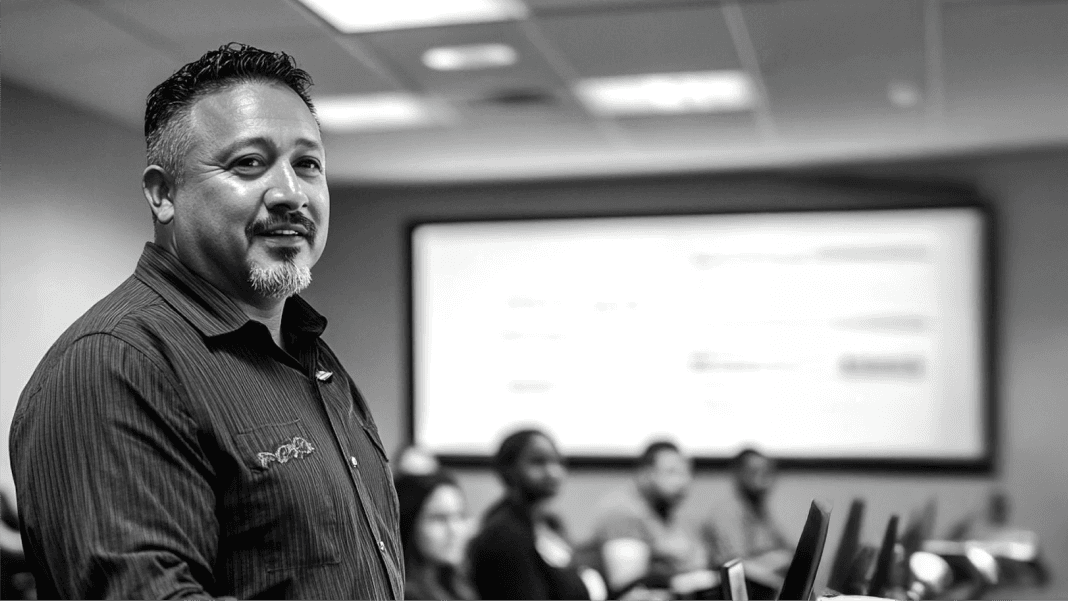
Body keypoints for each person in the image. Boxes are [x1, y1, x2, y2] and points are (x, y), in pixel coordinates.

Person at [8, 43, 402, 599]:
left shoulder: (307, 353)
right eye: (249, 163)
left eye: (307, 164)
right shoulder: (116, 363)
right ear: (163, 193)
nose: (291, 193)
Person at [467, 428, 596, 600]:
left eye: (557, 461)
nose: (552, 471)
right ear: (507, 469)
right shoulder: (503, 533)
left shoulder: (551, 523)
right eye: (538, 462)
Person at [589, 440, 713, 597]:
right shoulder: (623, 512)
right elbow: (627, 586)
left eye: (687, 472)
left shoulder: (666, 511)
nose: (683, 482)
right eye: (672, 472)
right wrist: (681, 580)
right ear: (645, 474)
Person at [702, 447, 794, 598]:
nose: (763, 477)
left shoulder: (762, 512)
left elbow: (791, 553)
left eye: (767, 470)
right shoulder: (726, 511)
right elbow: (736, 567)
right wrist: (776, 575)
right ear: (739, 474)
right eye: (754, 470)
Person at [395, 470, 478, 600]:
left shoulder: (458, 584)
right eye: (439, 518)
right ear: (408, 523)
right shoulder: (404, 594)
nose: (454, 530)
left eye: (461, 516)